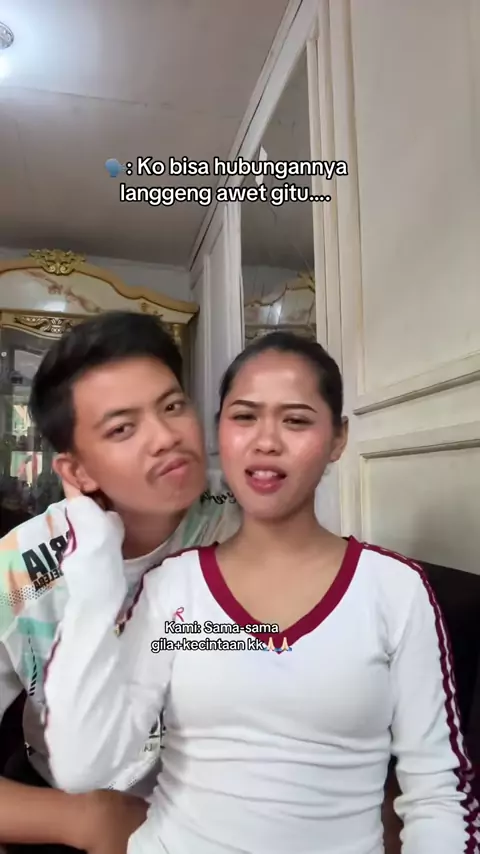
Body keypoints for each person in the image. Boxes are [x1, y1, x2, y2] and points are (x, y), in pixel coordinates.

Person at [43, 330, 478, 854]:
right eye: (244, 417)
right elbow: (84, 766)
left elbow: (437, 794)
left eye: (296, 420)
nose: (266, 441)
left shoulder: (394, 589)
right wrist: (94, 565)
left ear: (337, 439)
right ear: (219, 431)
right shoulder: (175, 588)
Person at [0, 312, 240, 852]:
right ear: (77, 473)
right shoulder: (20, 571)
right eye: (122, 429)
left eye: (172, 406)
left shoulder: (250, 521)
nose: (167, 437)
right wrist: (88, 820)